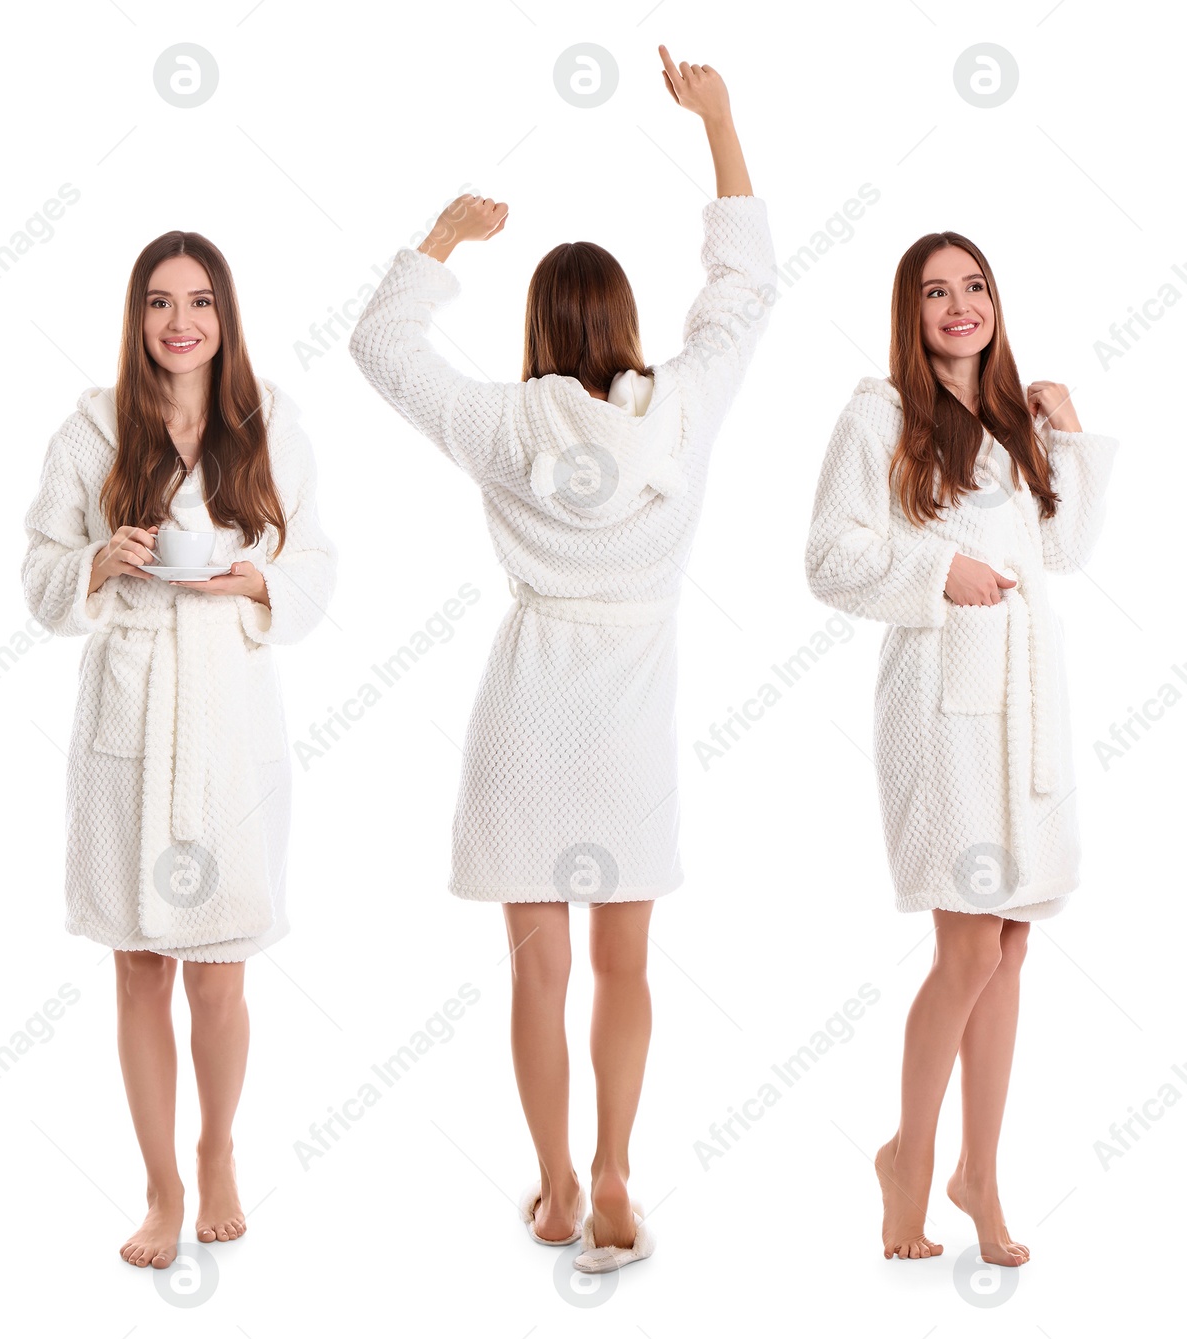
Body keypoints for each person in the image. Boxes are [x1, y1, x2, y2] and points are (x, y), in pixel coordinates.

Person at [347, 46, 774, 1272]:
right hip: (632, 715)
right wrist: (720, 120)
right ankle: (616, 1176)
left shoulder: (497, 424)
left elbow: (382, 348)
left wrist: (441, 238)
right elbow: (744, 288)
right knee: (624, 966)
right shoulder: (681, 412)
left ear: (537, 326)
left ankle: (550, 1189)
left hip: (527, 709)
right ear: (628, 326)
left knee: (537, 973)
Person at [22, 230, 338, 1269]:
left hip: (230, 723)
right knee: (138, 967)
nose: (179, 322)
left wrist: (254, 582)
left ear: (225, 315)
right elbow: (37, 573)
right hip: (130, 712)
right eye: (160, 302)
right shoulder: (90, 431)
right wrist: (98, 563)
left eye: (199, 301)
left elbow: (313, 560)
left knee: (221, 971)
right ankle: (159, 1185)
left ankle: (217, 1151)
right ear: (136, 315)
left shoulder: (268, 423)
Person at [804, 230, 1119, 1265]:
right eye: (934, 292)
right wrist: (939, 572)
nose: (957, 306)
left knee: (1011, 940)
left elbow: (1063, 552)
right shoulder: (879, 416)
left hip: (1026, 705)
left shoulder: (1014, 420)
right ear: (911, 313)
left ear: (994, 300)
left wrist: (1069, 436)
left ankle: (976, 1174)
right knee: (966, 944)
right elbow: (830, 559)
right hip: (942, 705)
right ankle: (909, 1157)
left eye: (972, 286)